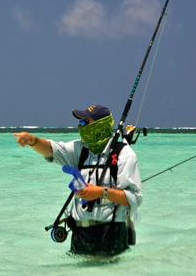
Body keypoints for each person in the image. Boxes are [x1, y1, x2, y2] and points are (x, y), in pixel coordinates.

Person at [14, 104, 142, 256]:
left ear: (100, 125)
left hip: (111, 235)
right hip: (80, 236)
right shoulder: (80, 150)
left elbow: (134, 198)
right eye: (80, 122)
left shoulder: (125, 155)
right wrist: (33, 140)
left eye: (84, 122)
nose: (80, 126)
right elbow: (52, 149)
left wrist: (101, 192)